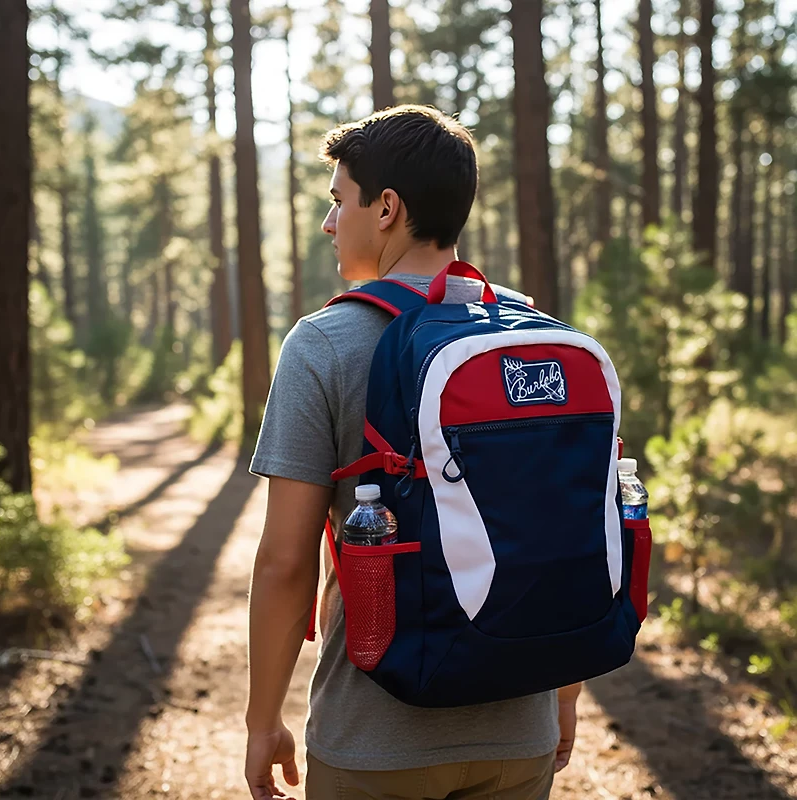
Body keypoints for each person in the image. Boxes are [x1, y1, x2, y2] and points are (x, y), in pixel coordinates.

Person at [245, 104, 582, 800]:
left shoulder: (324, 343)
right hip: (520, 729)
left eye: (339, 200)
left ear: (387, 208)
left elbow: (285, 562)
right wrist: (565, 696)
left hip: (373, 741)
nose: (329, 222)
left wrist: (262, 719)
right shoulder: (532, 334)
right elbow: (567, 528)